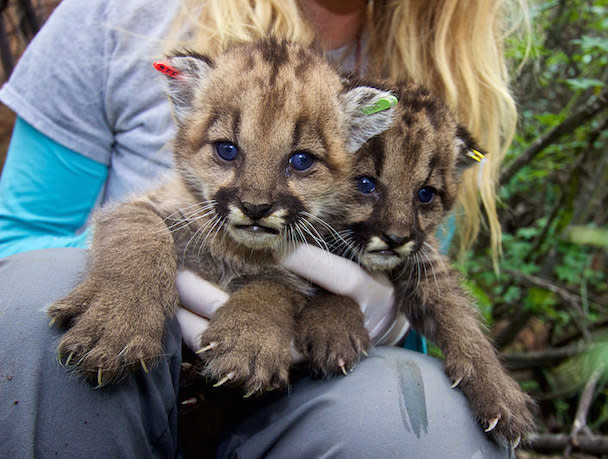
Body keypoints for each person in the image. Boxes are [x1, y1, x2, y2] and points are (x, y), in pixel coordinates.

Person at [0, 0, 529, 456]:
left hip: (297, 411)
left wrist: (387, 321)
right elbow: (20, 236)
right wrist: (143, 273)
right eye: (226, 151)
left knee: (419, 412)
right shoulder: (120, 15)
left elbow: (412, 263)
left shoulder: (423, 116)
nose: (254, 200)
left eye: (301, 162)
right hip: (125, 392)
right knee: (34, 303)